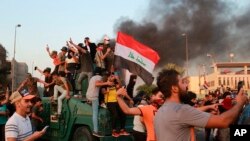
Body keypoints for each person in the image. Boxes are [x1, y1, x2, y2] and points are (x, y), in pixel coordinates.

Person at [154, 68, 247, 141]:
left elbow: (190, 112)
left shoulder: (160, 111)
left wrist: (209, 107)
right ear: (174, 88)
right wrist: (239, 103)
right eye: (182, 82)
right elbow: (223, 121)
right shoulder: (181, 110)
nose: (186, 85)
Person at [85, 68, 113, 137]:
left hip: (88, 96)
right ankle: (95, 131)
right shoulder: (99, 77)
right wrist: (107, 83)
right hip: (94, 97)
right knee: (95, 113)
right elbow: (97, 84)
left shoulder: (92, 77)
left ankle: (89, 102)